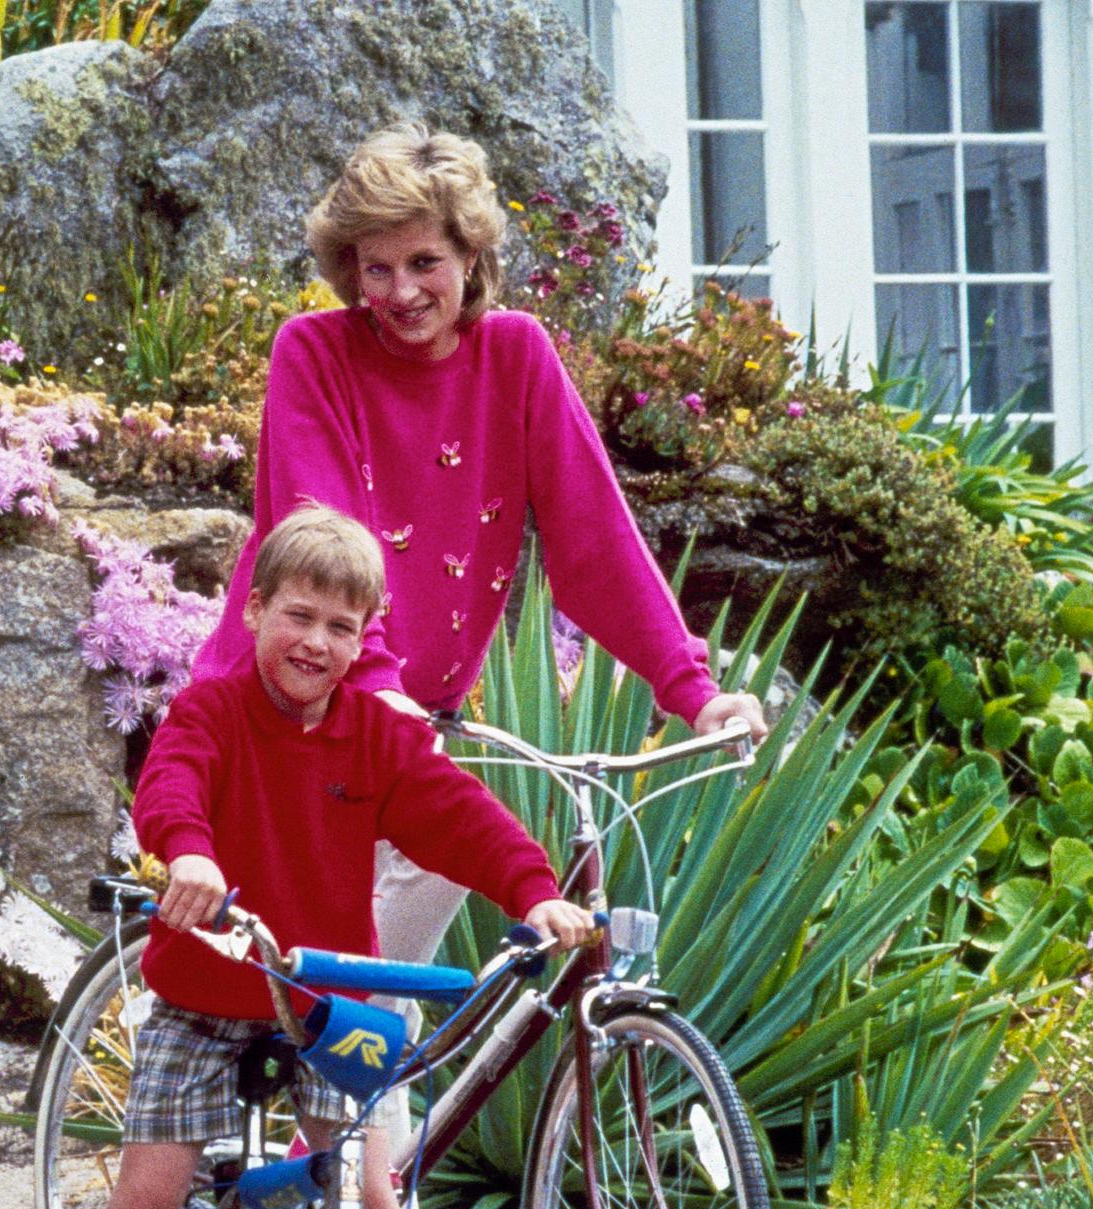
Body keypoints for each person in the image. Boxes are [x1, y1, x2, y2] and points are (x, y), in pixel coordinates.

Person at [188, 121, 767, 1064]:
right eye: (375, 269)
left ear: (472, 254)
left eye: (425, 261)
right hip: (287, 709)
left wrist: (691, 691)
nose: (401, 292)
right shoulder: (314, 354)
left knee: (372, 1004)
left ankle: (351, 1177)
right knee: (281, 1009)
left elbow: (593, 548)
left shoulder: (517, 360)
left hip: (411, 729)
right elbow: (318, 539)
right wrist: (371, 681)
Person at [69, 505, 592, 1209]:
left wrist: (532, 890)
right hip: (204, 997)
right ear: (254, 611)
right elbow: (172, 787)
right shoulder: (212, 711)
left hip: (321, 1005)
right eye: (298, 617)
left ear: (365, 641)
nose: (315, 642)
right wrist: (190, 857)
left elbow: (460, 816)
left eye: (341, 628)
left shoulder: (377, 735)